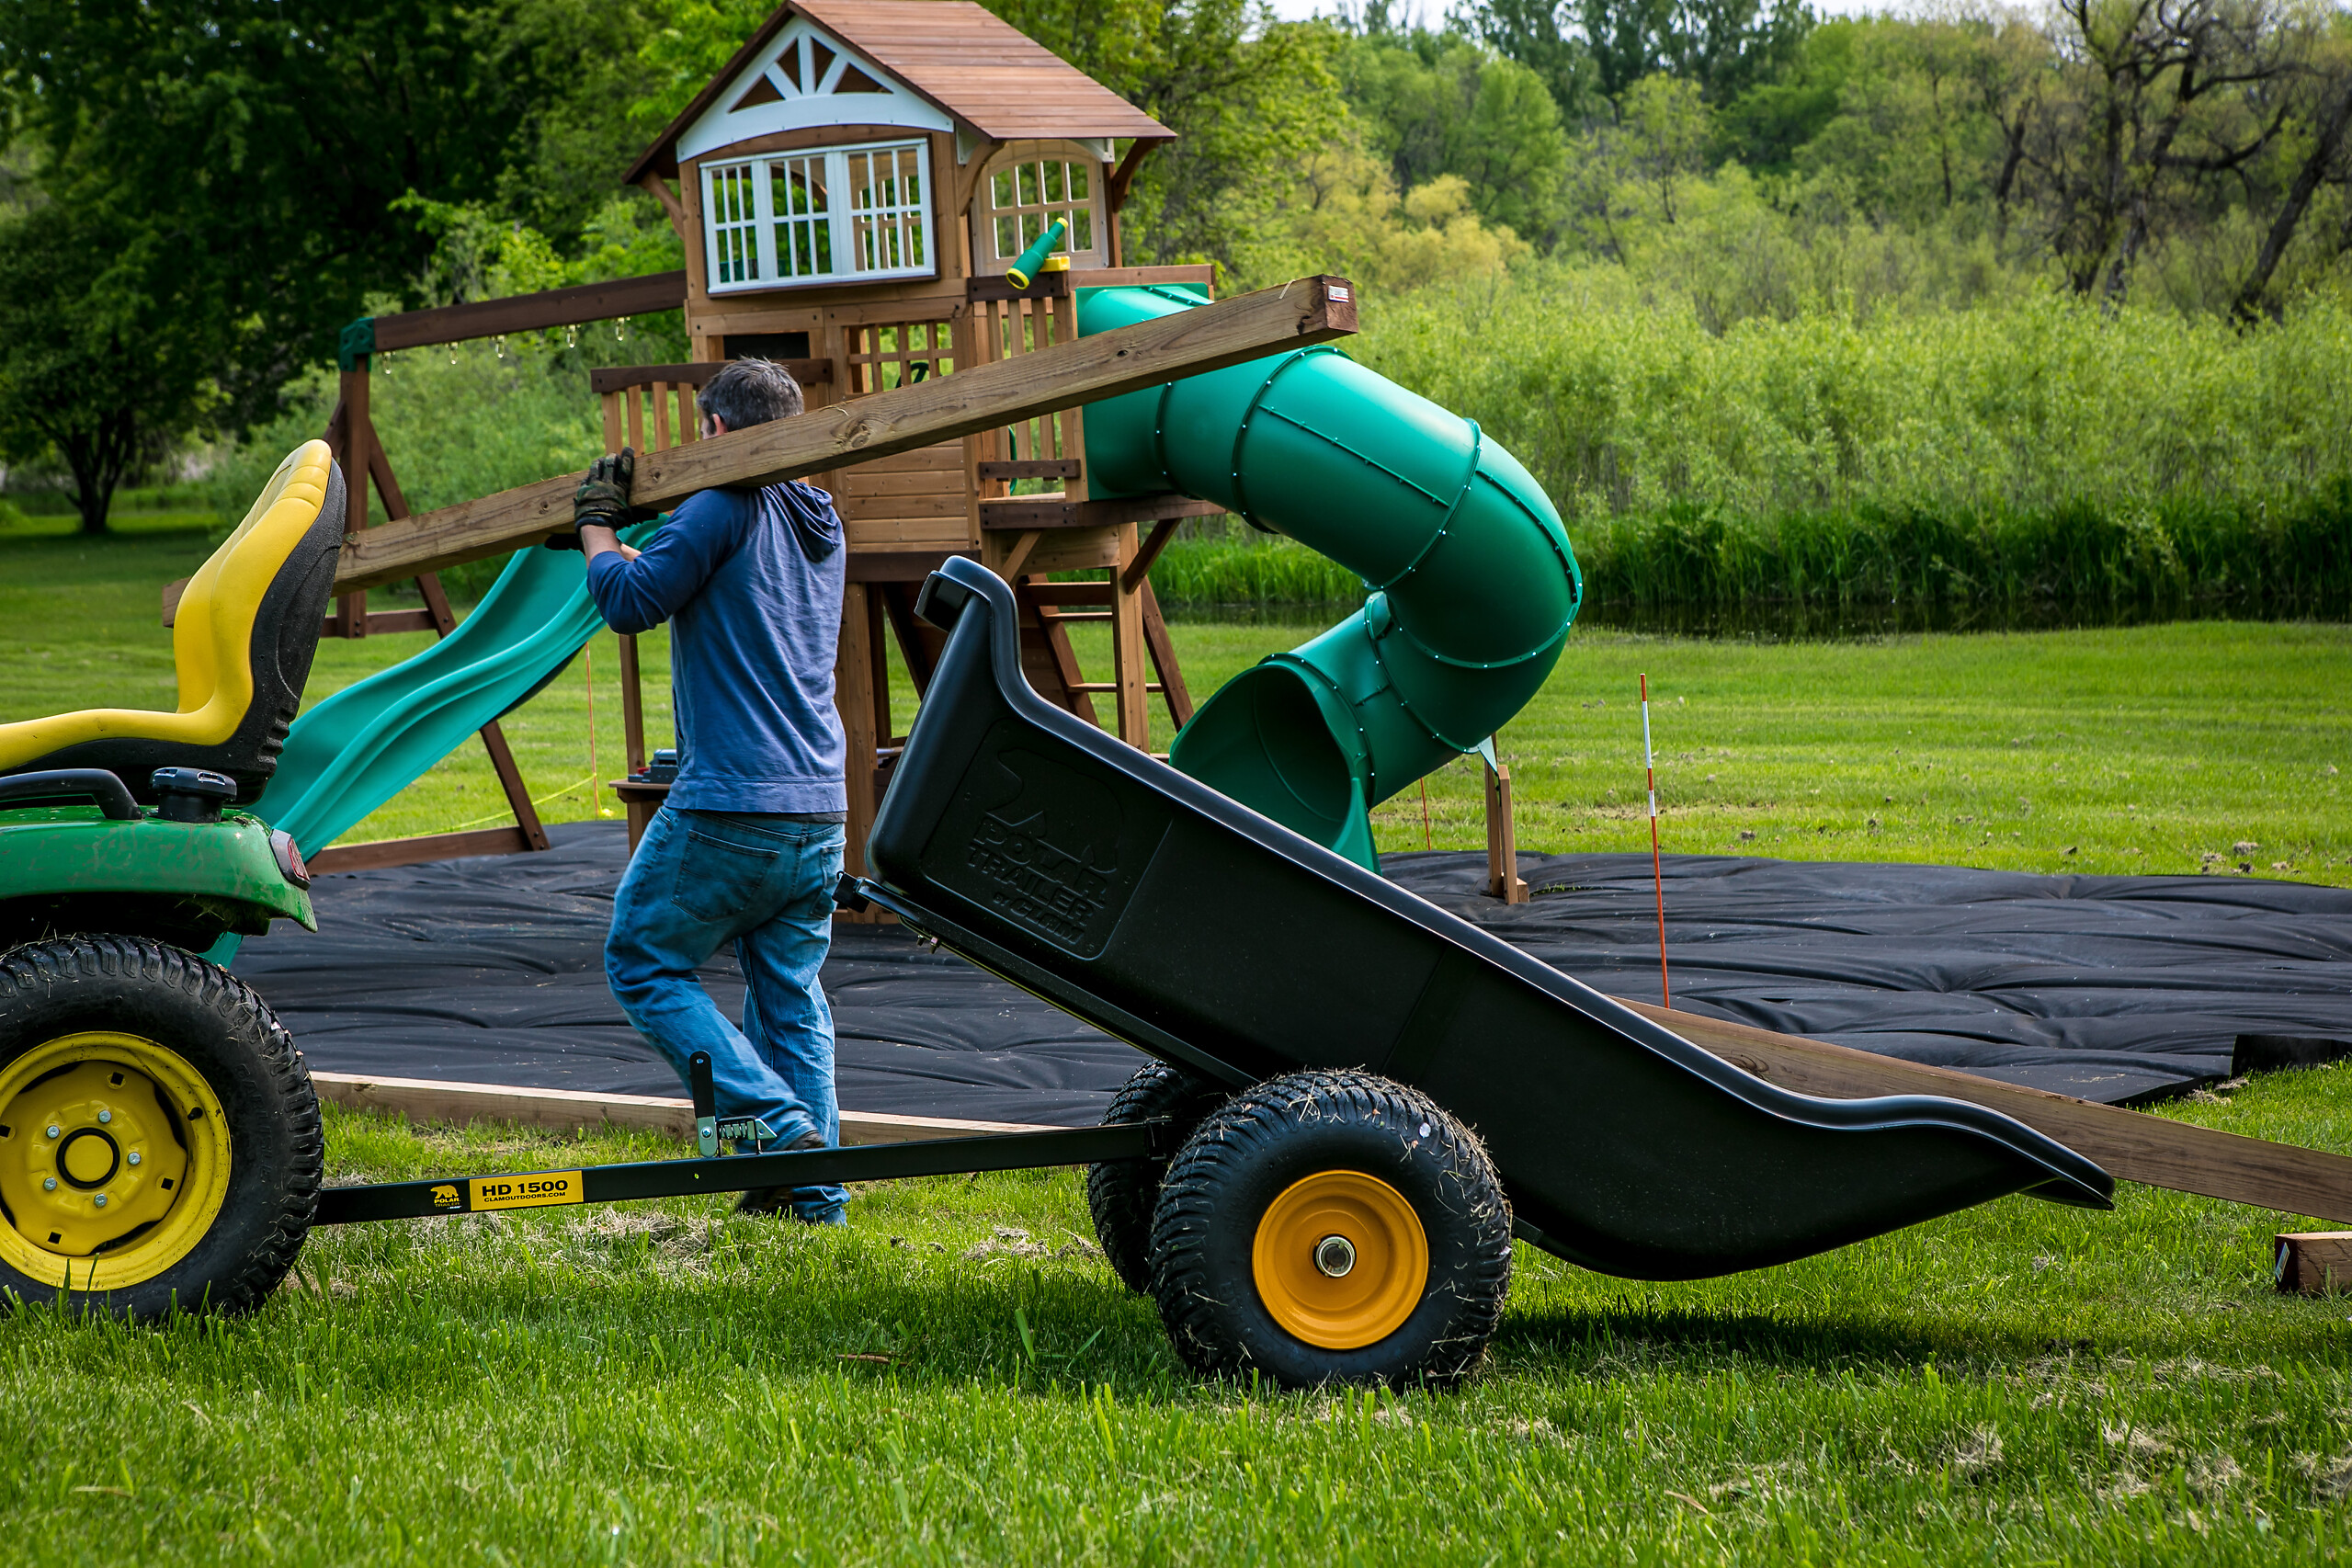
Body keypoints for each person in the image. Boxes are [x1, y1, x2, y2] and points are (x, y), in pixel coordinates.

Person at [555, 358, 850, 1223]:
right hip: (819, 806)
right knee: (788, 998)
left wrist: (597, 528)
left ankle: (775, 1123)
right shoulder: (821, 520)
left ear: (717, 431)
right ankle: (807, 1197)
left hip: (732, 801)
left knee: (643, 961)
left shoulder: (722, 505)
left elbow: (631, 599)